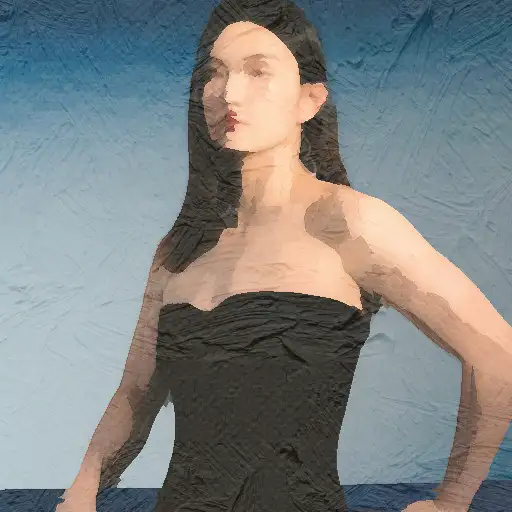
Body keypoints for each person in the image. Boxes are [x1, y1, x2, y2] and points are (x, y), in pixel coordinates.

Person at [56, 1, 512, 511]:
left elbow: (497, 355)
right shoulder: (179, 248)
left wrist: (450, 503)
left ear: (309, 100)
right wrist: (83, 488)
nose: (229, 92)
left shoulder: (350, 222)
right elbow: (135, 396)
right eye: (214, 73)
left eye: (258, 71)